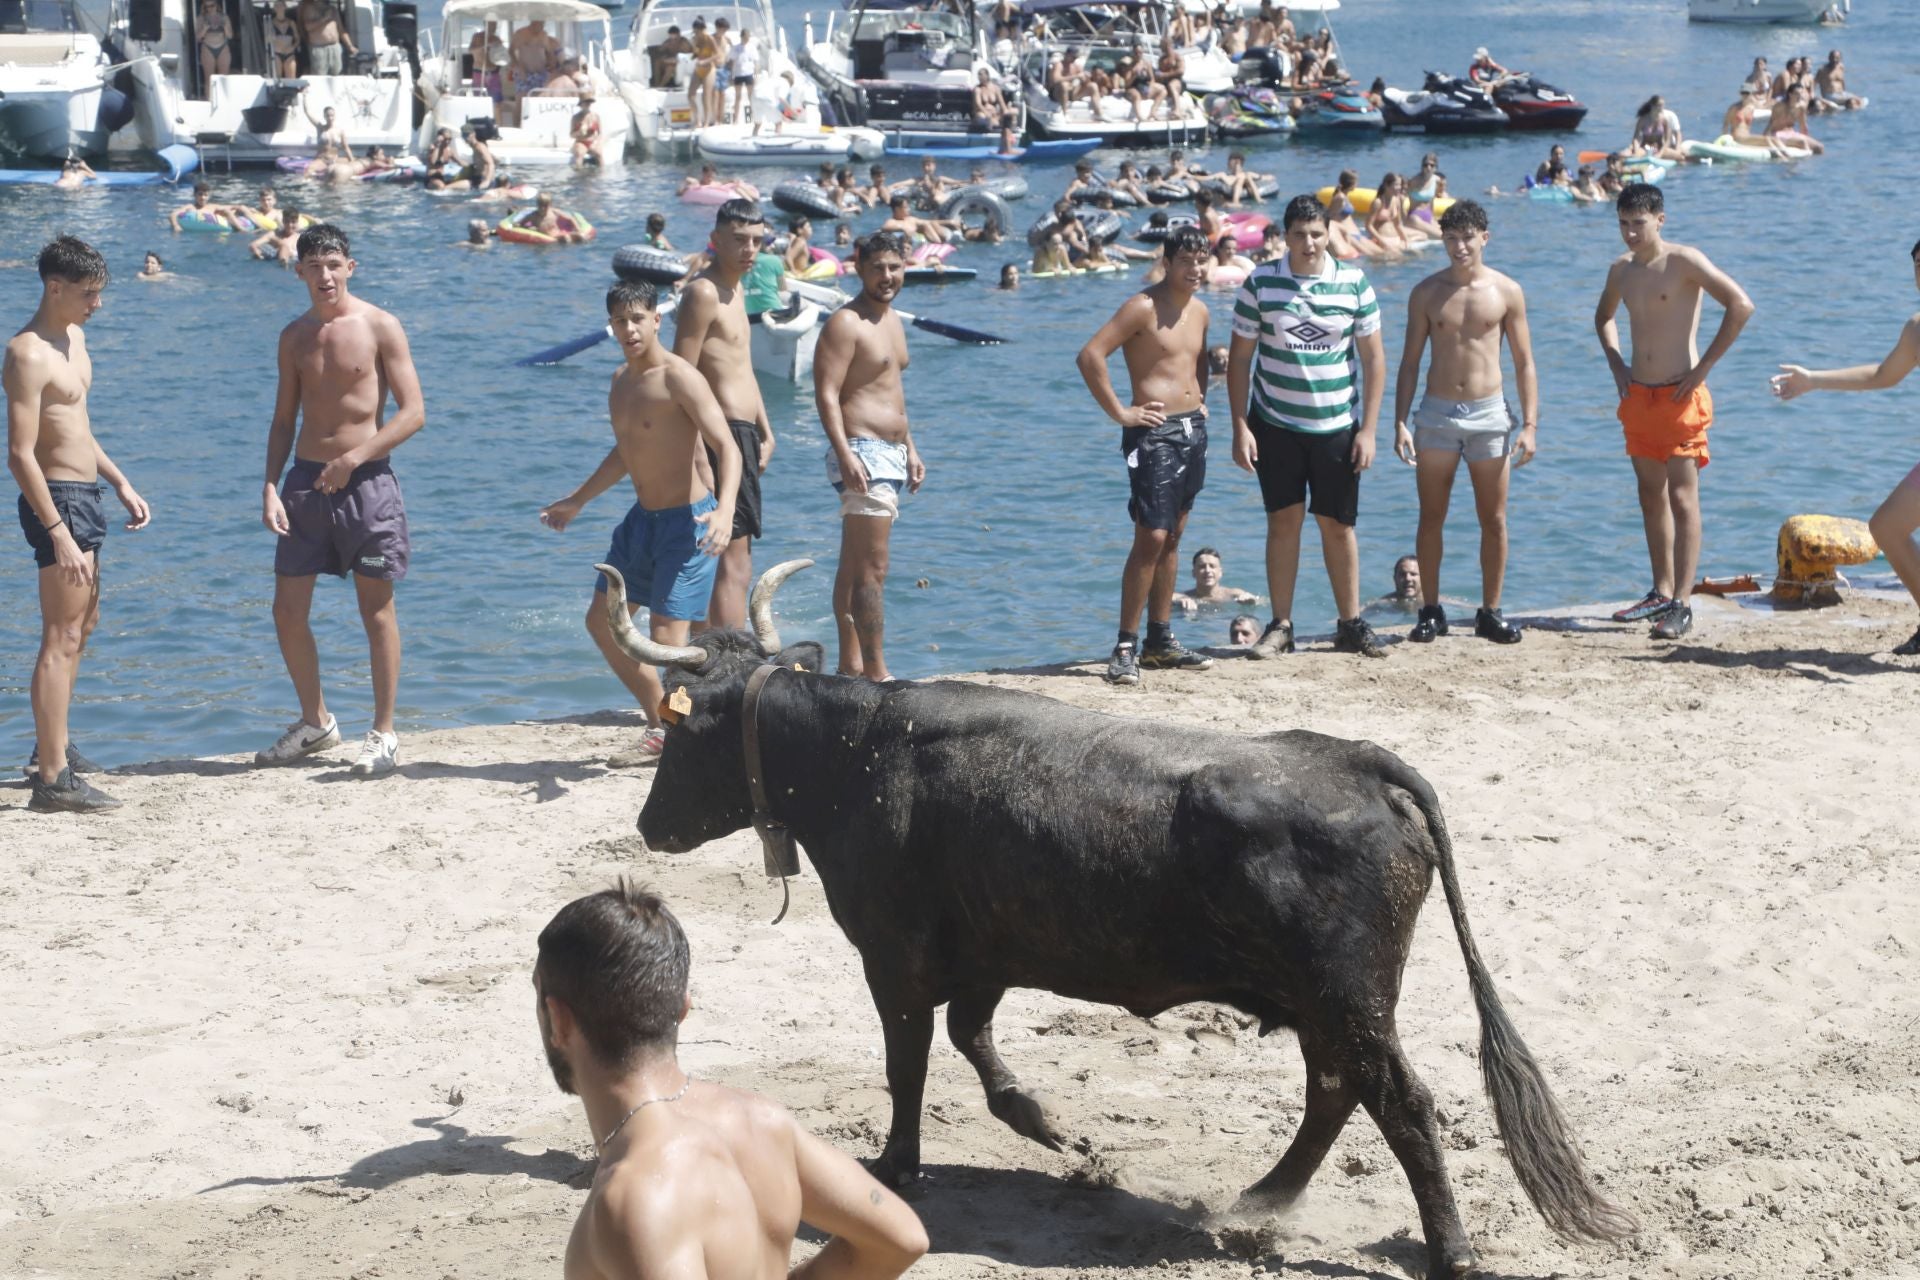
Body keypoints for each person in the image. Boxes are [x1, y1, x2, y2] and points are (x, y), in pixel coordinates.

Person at [533, 882, 929, 1280]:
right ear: (682, 1008)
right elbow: (901, 1237)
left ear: (559, 1020)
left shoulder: (636, 1196)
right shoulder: (760, 1122)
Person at [540, 282, 739, 765]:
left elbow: (726, 445)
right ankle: (666, 724)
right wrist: (578, 500)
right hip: (641, 522)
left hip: (687, 525)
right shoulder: (620, 382)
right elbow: (625, 453)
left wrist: (727, 509)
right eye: (619, 321)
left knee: (669, 640)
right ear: (611, 326)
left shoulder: (680, 377)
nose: (628, 329)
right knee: (602, 622)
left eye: (637, 318)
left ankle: (676, 732)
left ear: (655, 320)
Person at [257, 225, 426, 777]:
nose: (324, 275)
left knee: (375, 610)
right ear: (298, 271)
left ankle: (383, 732)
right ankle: (316, 721)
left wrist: (355, 458)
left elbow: (413, 412)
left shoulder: (380, 325)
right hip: (305, 483)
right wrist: (269, 484)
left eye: (333, 263)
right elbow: (285, 418)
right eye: (313, 265)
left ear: (350, 266)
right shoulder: (292, 336)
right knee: (287, 611)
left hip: (368, 483)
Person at [7, 237, 151, 812]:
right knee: (60, 636)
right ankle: (51, 779)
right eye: (89, 294)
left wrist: (118, 481)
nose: (97, 305)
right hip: (55, 500)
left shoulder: (75, 338)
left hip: (85, 493)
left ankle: (53, 745)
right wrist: (58, 530)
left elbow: (76, 425)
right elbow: (20, 454)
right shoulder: (26, 353)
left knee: (84, 627)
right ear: (54, 287)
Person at [1228, 194, 1387, 660]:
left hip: (1337, 424)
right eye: (1299, 234)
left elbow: (1375, 361)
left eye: (1317, 233)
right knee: (1283, 523)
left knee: (1338, 526)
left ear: (1329, 233)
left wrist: (1369, 429)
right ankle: (1281, 626)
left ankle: (1350, 623)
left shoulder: (1354, 283)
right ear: (1285, 236)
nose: (1309, 243)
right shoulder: (1260, 283)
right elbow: (1239, 361)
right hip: (1274, 423)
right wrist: (1240, 426)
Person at [1594, 185, 1754, 642]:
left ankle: (1682, 603)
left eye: (1638, 224)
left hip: (1681, 398)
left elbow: (1741, 306)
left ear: (1660, 220)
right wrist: (1616, 363)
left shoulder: (1685, 262)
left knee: (1684, 499)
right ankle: (1660, 591)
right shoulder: (1621, 270)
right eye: (1623, 223)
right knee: (1650, 496)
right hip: (1639, 398)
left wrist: (1703, 367)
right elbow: (1602, 317)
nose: (1629, 233)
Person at [1389, 199, 1535, 646]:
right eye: (1450, 239)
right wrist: (1399, 421)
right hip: (1435, 413)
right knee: (1431, 516)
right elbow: (1410, 362)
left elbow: (1525, 362)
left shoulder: (1507, 291)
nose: (1459, 247)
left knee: (1493, 519)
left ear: (1484, 238)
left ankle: (1490, 611)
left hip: (1490, 413)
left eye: (1467, 238)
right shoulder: (1426, 293)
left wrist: (1530, 424)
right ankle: (1430, 610)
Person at [1076, 225, 1216, 684]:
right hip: (1153, 434)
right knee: (1150, 537)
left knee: (1174, 535)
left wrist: (1200, 400)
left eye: (1202, 261)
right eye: (1187, 262)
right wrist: (1121, 411)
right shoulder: (1142, 306)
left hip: (1192, 430)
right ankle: (1124, 645)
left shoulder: (1201, 312)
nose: (1195, 269)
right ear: (1168, 262)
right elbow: (1091, 356)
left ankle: (1160, 640)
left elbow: (1196, 362)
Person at [1768, 241, 1918, 652]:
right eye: (1918, 264)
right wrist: (1813, 379)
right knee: (1887, 527)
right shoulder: (1917, 328)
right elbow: (1882, 375)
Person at [816, 233, 923, 682]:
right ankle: (877, 673)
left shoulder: (892, 319)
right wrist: (844, 454)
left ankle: (851, 666)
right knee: (873, 567)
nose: (887, 276)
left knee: (854, 565)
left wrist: (911, 448)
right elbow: (825, 393)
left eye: (895, 267)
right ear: (858, 267)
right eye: (877, 267)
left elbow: (892, 393)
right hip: (861, 451)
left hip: (891, 454)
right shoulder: (846, 322)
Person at [673, 199, 774, 641]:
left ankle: (721, 646)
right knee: (726, 555)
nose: (749, 249)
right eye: (739, 240)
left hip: (743, 436)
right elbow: (681, 375)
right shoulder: (704, 292)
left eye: (756, 240)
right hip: (719, 438)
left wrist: (767, 430)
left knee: (738, 552)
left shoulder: (736, 290)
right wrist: (697, 454)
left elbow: (742, 366)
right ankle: (726, 657)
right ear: (715, 240)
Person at [1171, 546, 1260, 611]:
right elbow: (1167, 598)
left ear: (1220, 572)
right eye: (1202, 567)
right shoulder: (1186, 596)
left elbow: (1261, 601)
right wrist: (1179, 600)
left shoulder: (1232, 595)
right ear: (1193, 573)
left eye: (1212, 566)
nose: (1207, 570)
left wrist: (1252, 600)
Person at [296, 0, 354, 74]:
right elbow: (308, 27)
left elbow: (341, 30)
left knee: (337, 75)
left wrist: (350, 46)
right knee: (320, 77)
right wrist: (325, 19)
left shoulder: (333, 10)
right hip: (318, 49)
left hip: (335, 48)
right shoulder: (309, 8)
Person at [881, 196, 956, 246]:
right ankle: (939, 244)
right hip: (911, 243)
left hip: (921, 240)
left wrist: (949, 222)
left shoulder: (911, 219)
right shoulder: (892, 221)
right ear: (897, 209)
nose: (908, 209)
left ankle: (941, 242)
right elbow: (884, 227)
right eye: (906, 207)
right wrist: (902, 228)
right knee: (924, 225)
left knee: (929, 224)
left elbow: (928, 222)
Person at [973, 67, 1017, 150]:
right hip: (982, 113)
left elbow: (1002, 103)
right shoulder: (977, 89)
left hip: (994, 114)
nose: (980, 78)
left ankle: (1010, 135)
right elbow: (978, 104)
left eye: (982, 76)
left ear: (987, 76)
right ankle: (991, 124)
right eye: (979, 76)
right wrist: (986, 112)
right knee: (982, 116)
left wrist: (1006, 111)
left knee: (1012, 112)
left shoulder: (995, 88)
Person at [301, 90, 351, 162]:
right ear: (324, 116)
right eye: (328, 116)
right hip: (321, 159)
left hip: (335, 160)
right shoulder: (320, 127)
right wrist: (304, 96)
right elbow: (307, 112)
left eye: (332, 115)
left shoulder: (340, 131)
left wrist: (352, 161)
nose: (330, 118)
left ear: (335, 116)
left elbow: (346, 147)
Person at [687, 16, 717, 129]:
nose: (697, 33)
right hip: (698, 68)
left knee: (706, 96)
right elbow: (696, 54)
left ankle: (706, 122)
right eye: (695, 31)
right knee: (690, 95)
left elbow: (717, 55)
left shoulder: (709, 39)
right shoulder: (695, 39)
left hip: (709, 69)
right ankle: (697, 120)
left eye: (698, 31)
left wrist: (705, 61)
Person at [727, 27, 759, 127]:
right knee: (738, 97)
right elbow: (731, 62)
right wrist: (730, 75)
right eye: (745, 37)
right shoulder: (736, 48)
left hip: (749, 73)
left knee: (751, 96)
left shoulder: (752, 47)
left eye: (748, 37)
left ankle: (755, 117)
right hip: (738, 74)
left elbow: (756, 62)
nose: (747, 39)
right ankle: (736, 118)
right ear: (741, 37)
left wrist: (756, 75)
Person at [197, 0, 234, 80]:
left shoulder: (224, 17)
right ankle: (209, 93)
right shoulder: (201, 18)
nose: (210, 8)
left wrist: (225, 27)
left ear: (216, 5)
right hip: (208, 47)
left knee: (224, 79)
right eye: (207, 6)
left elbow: (230, 36)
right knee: (209, 79)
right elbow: (197, 38)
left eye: (212, 5)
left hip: (222, 47)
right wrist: (204, 29)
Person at [570, 90, 604, 166]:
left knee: (599, 154)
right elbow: (571, 135)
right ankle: (578, 173)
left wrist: (598, 143)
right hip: (581, 142)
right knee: (579, 154)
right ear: (581, 104)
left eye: (589, 102)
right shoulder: (576, 118)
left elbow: (600, 133)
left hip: (592, 142)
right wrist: (579, 132)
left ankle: (602, 174)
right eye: (586, 102)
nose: (588, 104)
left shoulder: (596, 116)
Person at [267, 0, 300, 78]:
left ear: (285, 7)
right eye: (277, 6)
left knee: (291, 78)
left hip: (289, 53)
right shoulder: (270, 23)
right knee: (277, 79)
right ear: (274, 8)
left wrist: (293, 47)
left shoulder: (291, 23)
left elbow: (298, 38)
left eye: (281, 5)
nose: (279, 8)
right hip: (277, 53)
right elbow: (267, 40)